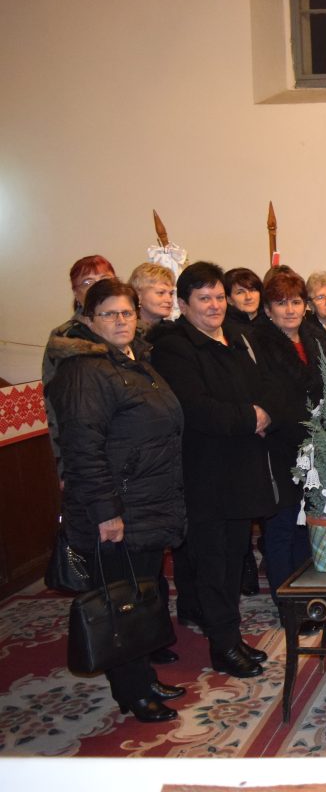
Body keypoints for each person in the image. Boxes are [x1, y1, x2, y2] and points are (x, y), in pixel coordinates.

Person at [46, 278, 188, 723]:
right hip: (117, 509)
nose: (121, 320)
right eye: (109, 313)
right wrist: (107, 513)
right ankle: (133, 692)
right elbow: (82, 449)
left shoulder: (133, 359)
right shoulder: (84, 371)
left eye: (127, 312)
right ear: (89, 320)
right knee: (119, 601)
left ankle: (143, 678)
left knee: (140, 594)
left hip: (146, 501)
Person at [150, 261, 277, 679]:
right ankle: (222, 645)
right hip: (206, 472)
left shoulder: (235, 336)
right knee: (213, 562)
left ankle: (232, 636)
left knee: (235, 556)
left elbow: (262, 385)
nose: (215, 305)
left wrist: (263, 412)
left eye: (219, 296)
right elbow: (194, 407)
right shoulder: (174, 347)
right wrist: (249, 417)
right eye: (204, 298)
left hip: (242, 467)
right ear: (183, 304)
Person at [251, 271, 326, 602]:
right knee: (282, 524)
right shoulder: (259, 342)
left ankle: (304, 596)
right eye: (281, 303)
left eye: (296, 302)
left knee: (305, 522)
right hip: (279, 444)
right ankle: (285, 600)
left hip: (313, 443)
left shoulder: (311, 337)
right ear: (268, 309)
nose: (290, 309)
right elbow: (269, 394)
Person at [42, 255, 117, 472]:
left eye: (105, 278)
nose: (99, 286)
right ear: (76, 293)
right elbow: (54, 405)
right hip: (93, 450)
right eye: (88, 282)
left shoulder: (137, 329)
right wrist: (63, 466)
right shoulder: (64, 337)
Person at [129, 262, 175, 328]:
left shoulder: (175, 331)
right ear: (138, 295)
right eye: (161, 293)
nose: (169, 300)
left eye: (171, 294)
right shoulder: (126, 330)